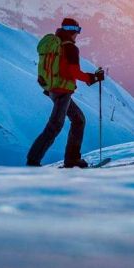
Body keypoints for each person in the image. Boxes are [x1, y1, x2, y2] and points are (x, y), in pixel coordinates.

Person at [26, 17, 104, 167]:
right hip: (62, 91)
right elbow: (74, 71)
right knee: (55, 125)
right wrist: (93, 77)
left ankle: (71, 159)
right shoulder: (70, 48)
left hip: (53, 89)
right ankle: (34, 161)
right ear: (74, 31)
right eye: (78, 31)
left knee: (78, 119)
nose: (78, 34)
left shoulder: (56, 44)